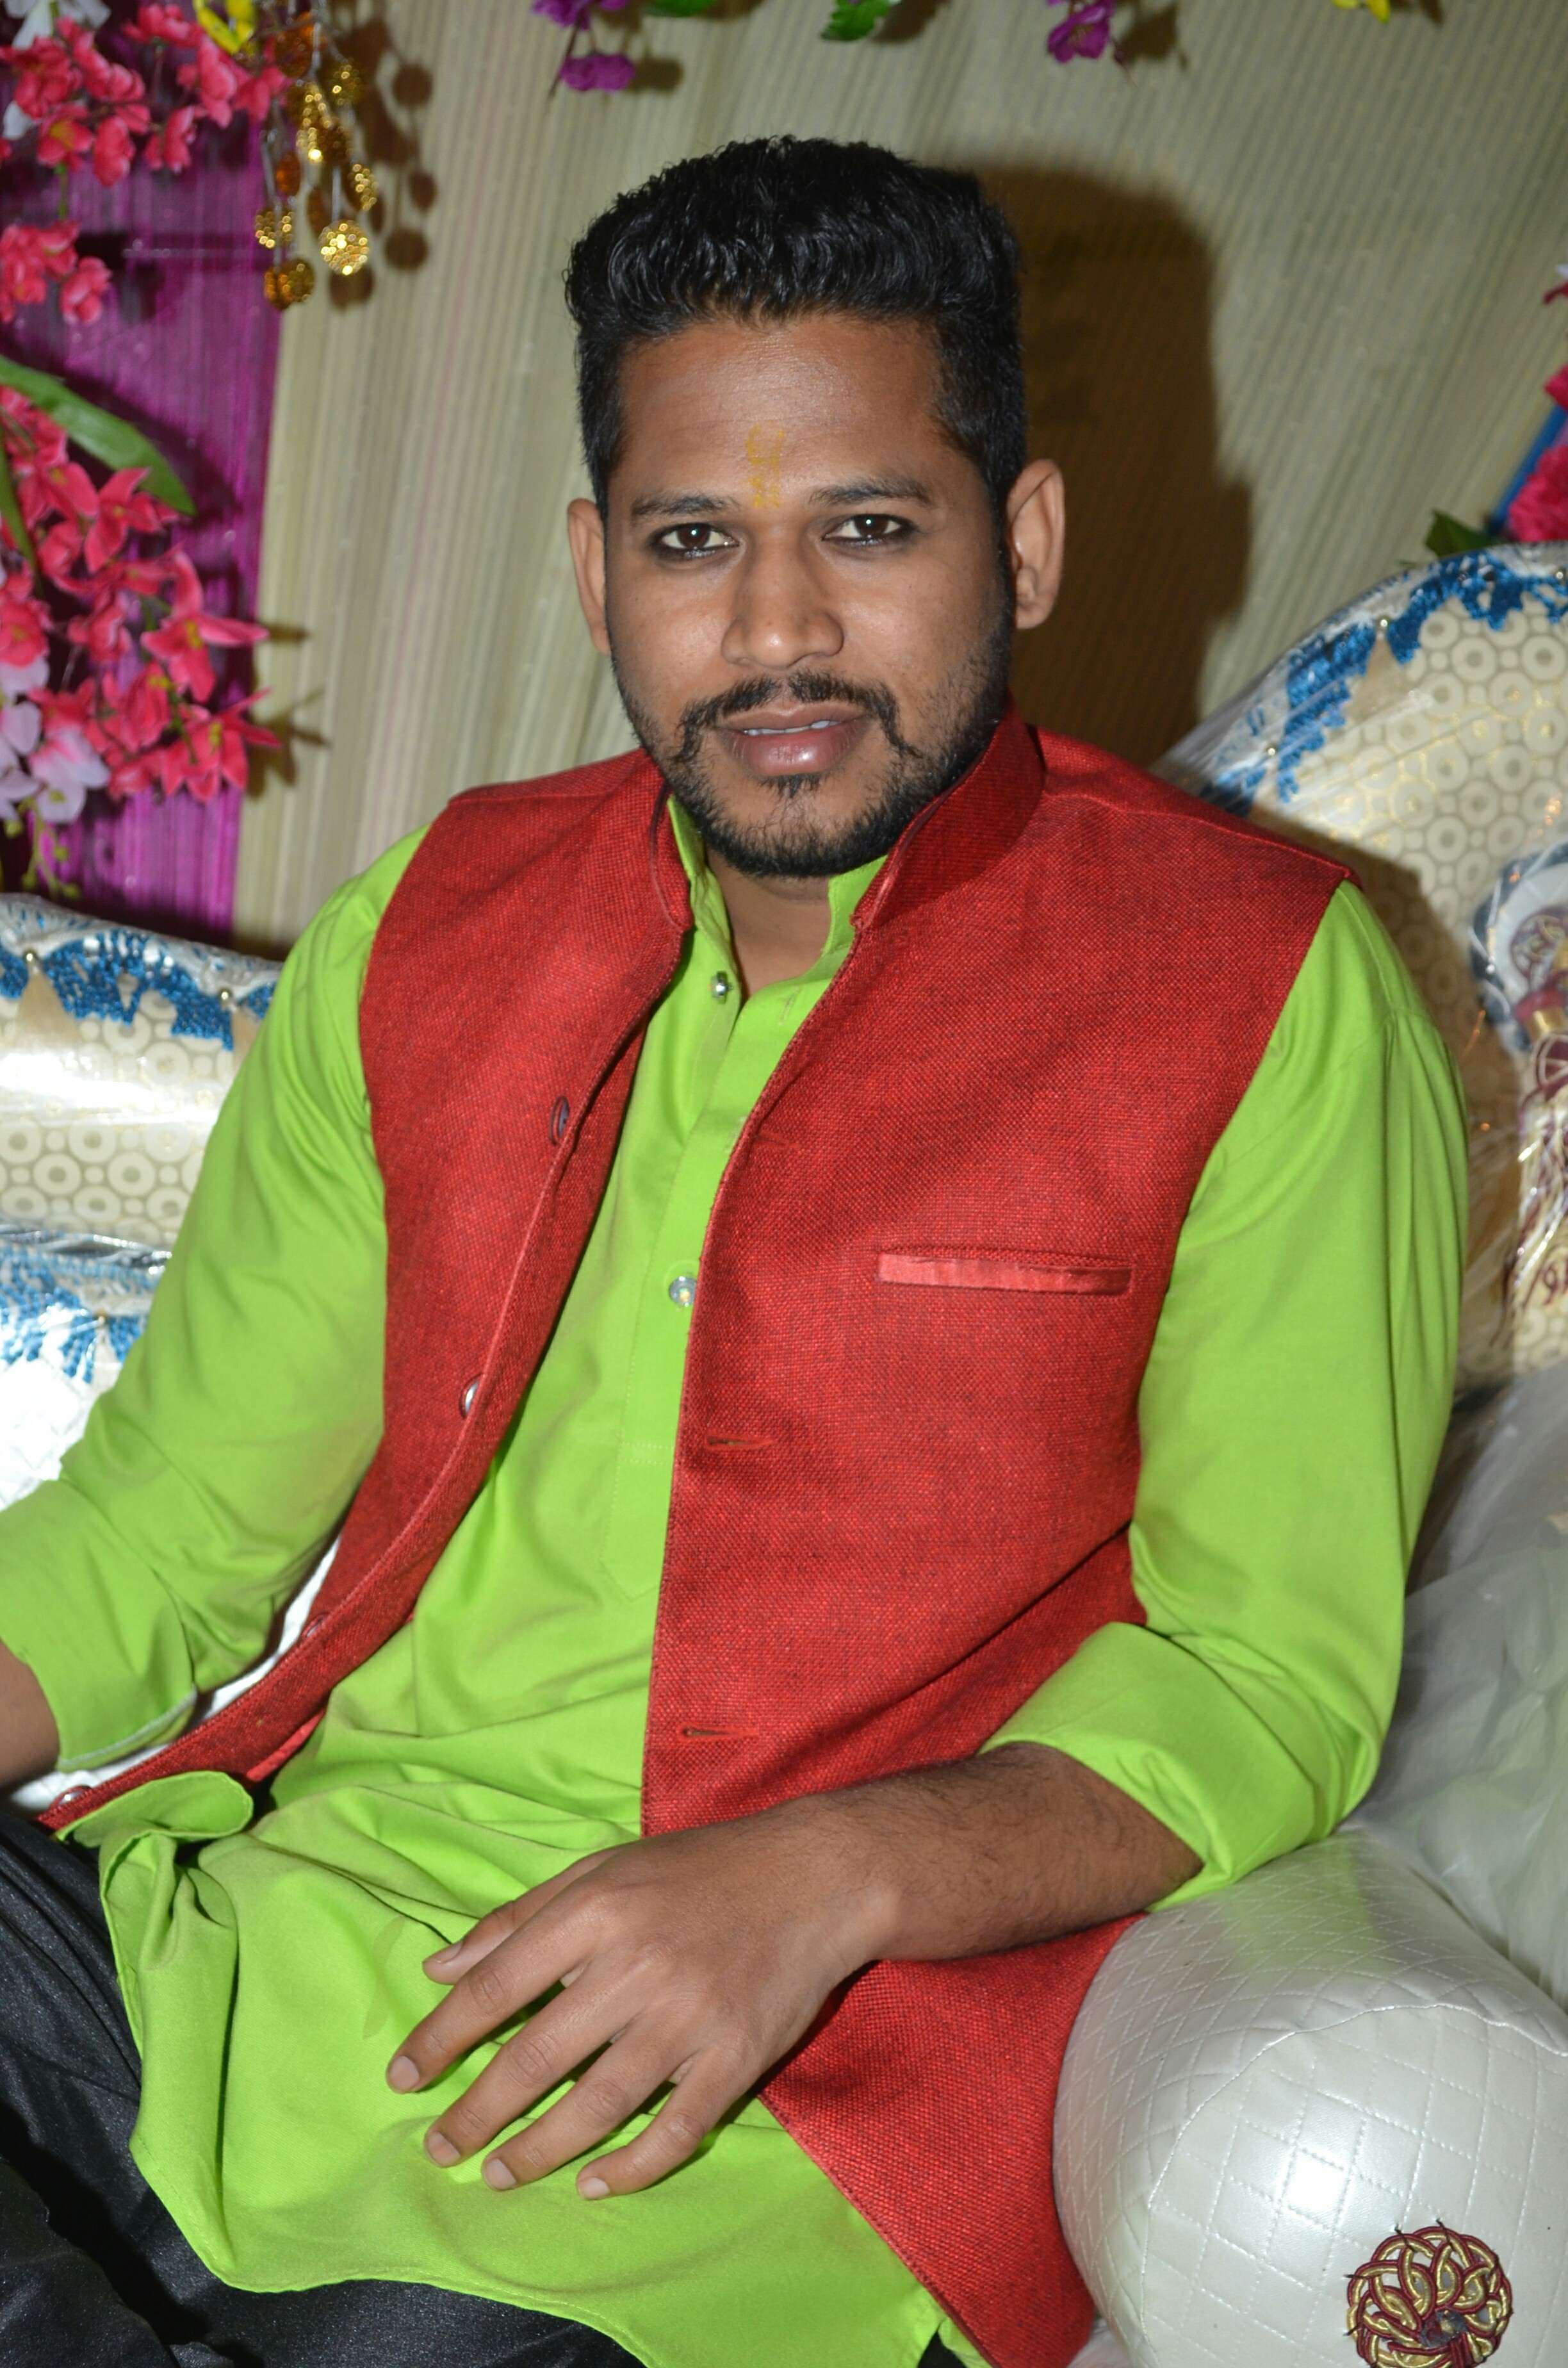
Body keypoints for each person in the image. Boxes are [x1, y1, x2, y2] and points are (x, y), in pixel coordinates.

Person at [0, 136, 1465, 2368]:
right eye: (695, 541)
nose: (778, 632)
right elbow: (167, 1532)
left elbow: (1262, 1677)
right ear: (596, 569)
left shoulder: (1259, 990)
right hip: (236, 1969)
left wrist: (826, 1875)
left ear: (1023, 538)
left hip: (739, 2129)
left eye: (869, 530)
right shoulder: (439, 929)